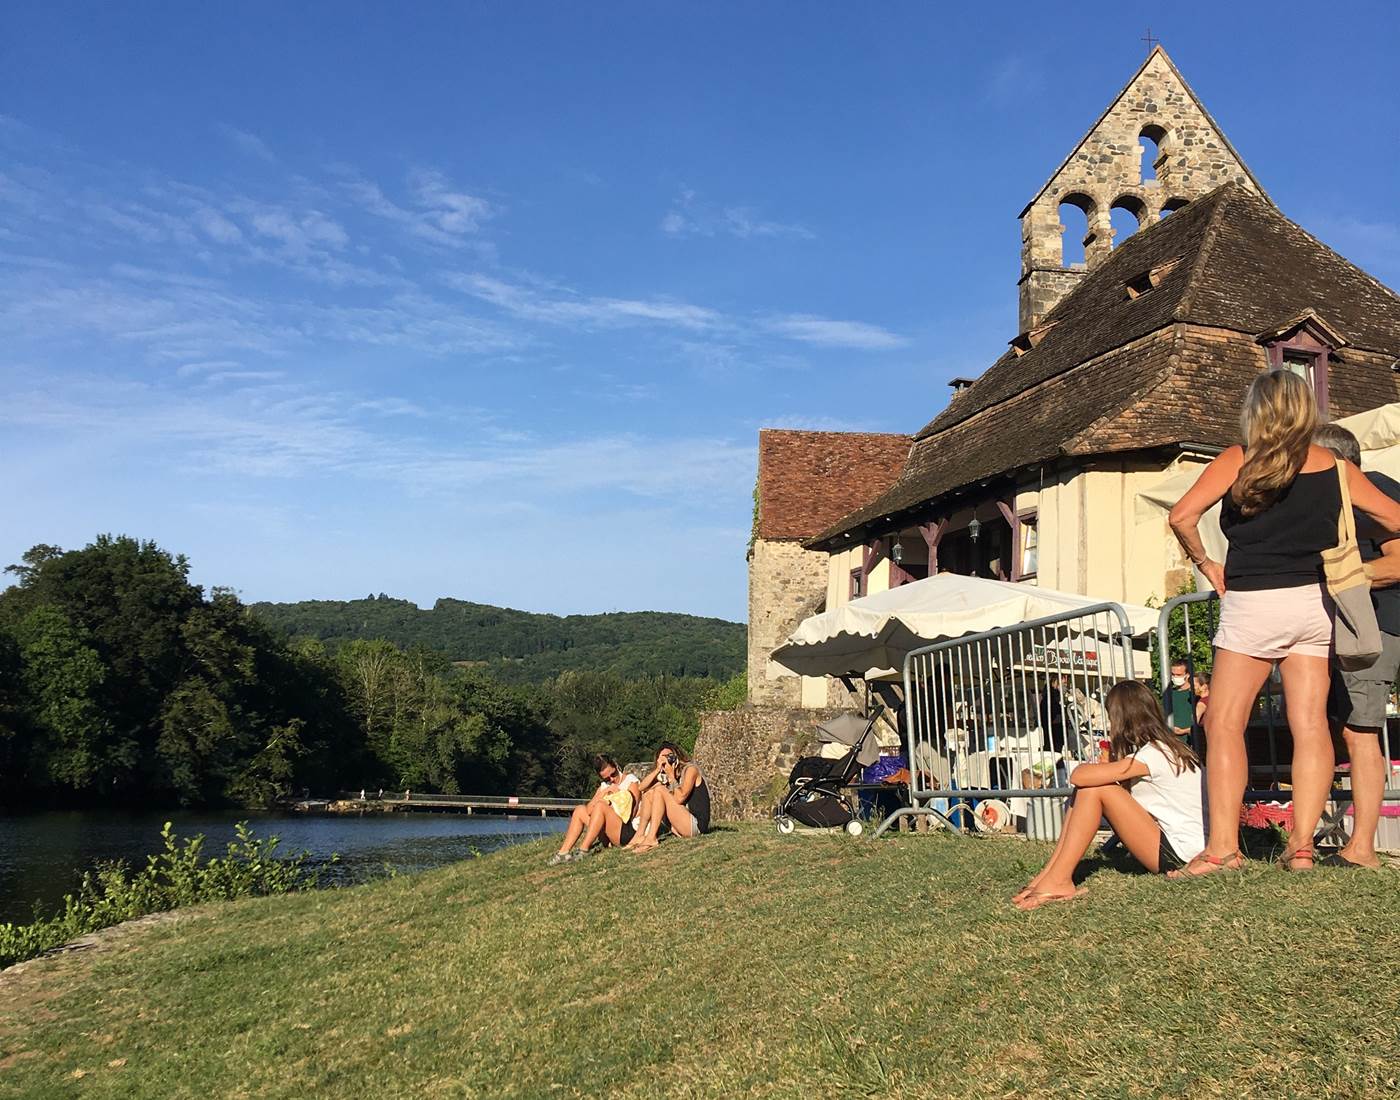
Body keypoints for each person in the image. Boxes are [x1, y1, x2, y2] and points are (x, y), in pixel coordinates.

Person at [1168, 370, 1400, 875]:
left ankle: (1224, 849)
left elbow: (1181, 516)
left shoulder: (1238, 458)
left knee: (1226, 723)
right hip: (1315, 604)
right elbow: (1396, 519)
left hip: (1254, 601)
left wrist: (1207, 565)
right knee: (1311, 724)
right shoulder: (1335, 467)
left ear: (1257, 410)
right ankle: (1300, 848)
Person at [1012, 680, 1206, 910]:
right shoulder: (1165, 749)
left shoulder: (1154, 754)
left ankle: (1059, 879)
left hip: (1182, 853)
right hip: (1188, 846)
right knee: (1091, 788)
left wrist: (1107, 764)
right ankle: (1051, 874)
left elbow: (1079, 776)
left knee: (1096, 787)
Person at [1315, 422, 1400, 869]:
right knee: (1336, 728)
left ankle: (1363, 848)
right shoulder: (1341, 498)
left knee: (1360, 733)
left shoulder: (1377, 492)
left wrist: (1342, 579)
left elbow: (1398, 563)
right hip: (1353, 626)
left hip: (1378, 626)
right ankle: (1322, 839)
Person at [548, 754, 641, 865]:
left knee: (601, 806)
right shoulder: (604, 786)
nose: (612, 779)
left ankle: (584, 849)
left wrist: (614, 801)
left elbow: (633, 812)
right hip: (608, 829)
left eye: (613, 774)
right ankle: (563, 852)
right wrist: (604, 792)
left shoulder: (630, 781)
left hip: (626, 829)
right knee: (579, 810)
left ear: (616, 766)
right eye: (607, 778)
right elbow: (588, 811)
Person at [626, 743, 711, 852]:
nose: (667, 760)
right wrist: (658, 770)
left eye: (669, 756)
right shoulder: (665, 776)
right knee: (649, 794)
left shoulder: (690, 770)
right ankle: (640, 835)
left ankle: (651, 838)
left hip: (696, 826)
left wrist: (671, 777)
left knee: (660, 790)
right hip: (681, 822)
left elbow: (680, 798)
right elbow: (642, 787)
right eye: (662, 758)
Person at [1164, 660, 1195, 738]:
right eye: (1173, 674)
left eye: (1178, 675)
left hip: (1192, 741)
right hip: (1174, 741)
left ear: (1187, 675)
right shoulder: (1169, 695)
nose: (1175, 677)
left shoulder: (1195, 694)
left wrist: (1186, 730)